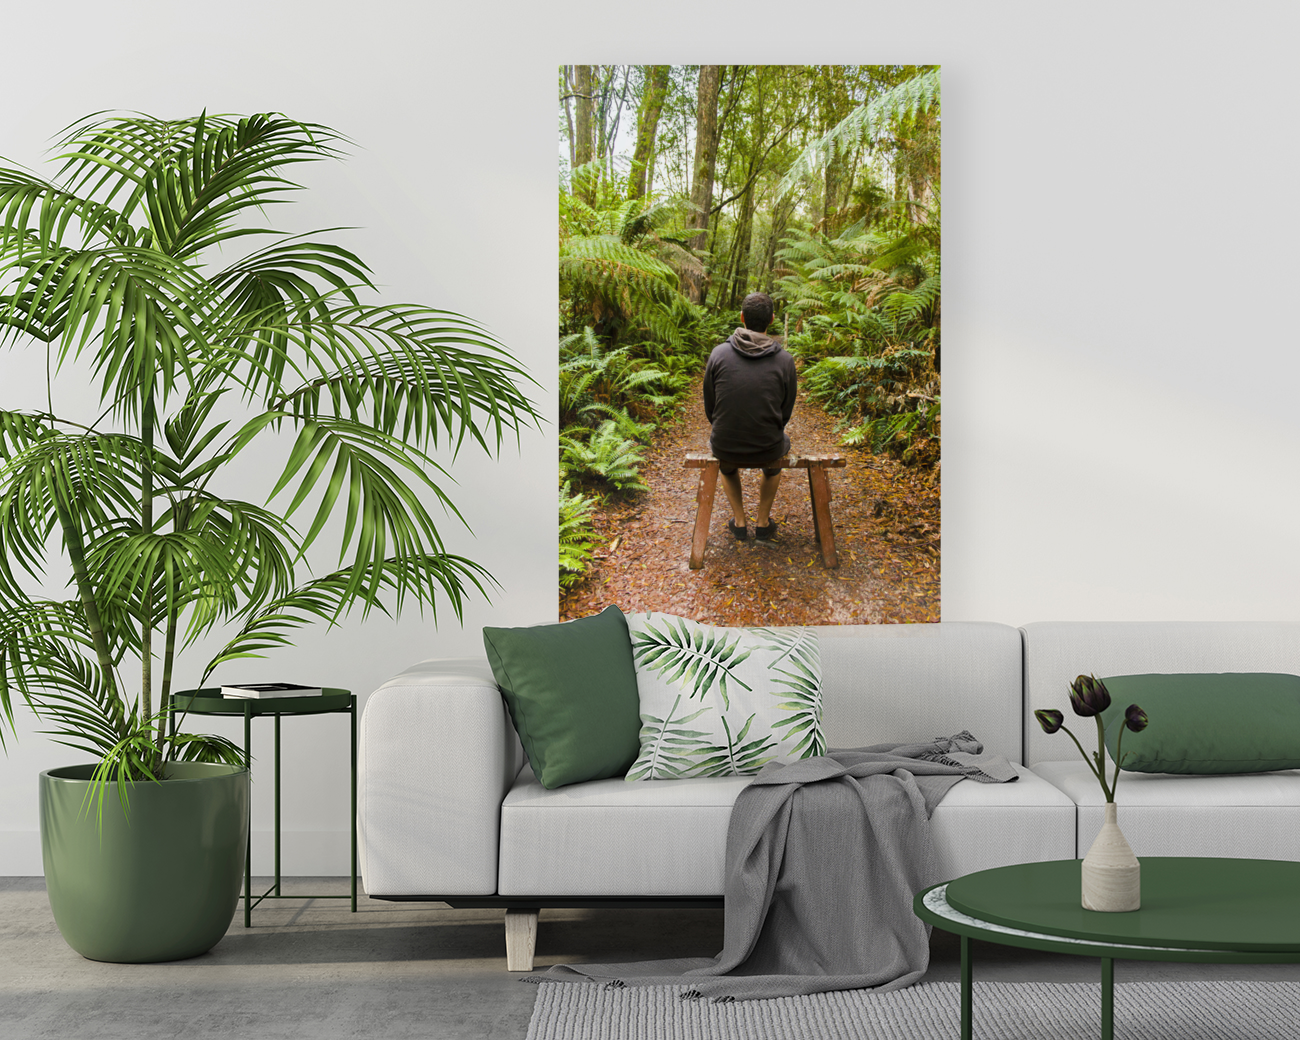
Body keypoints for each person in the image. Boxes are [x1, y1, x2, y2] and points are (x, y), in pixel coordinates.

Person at [702, 291, 797, 541]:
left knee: (727, 464)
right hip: (768, 445)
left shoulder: (718, 354)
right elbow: (785, 411)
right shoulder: (785, 360)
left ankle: (740, 521)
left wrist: (726, 426)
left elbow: (710, 406)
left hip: (725, 443)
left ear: (741, 317)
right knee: (776, 458)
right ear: (772, 319)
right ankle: (763, 523)